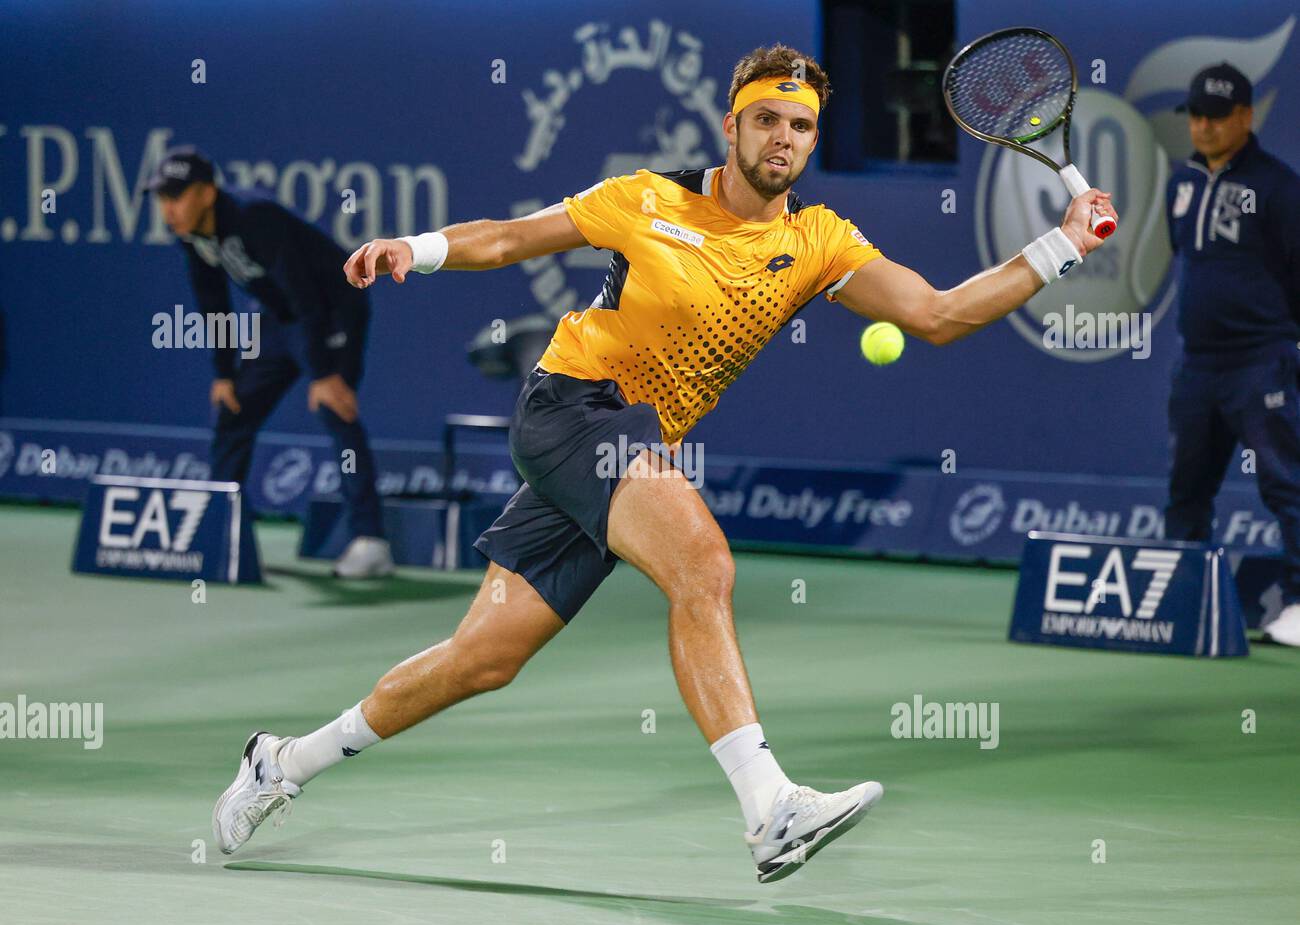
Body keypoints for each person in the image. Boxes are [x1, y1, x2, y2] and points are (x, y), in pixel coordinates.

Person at [212, 45, 1116, 882]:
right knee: (703, 563)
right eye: (768, 119)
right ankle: (770, 810)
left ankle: (281, 762)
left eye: (801, 126)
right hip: (572, 407)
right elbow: (508, 238)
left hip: (631, 443)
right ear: (732, 124)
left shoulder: (818, 243)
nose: (784, 139)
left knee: (480, 660)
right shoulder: (646, 198)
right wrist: (416, 249)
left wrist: (1064, 243)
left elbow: (941, 313)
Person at [147, 147, 394, 578]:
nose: (169, 208)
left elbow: (303, 292)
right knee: (233, 409)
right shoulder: (192, 234)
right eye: (163, 198)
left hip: (332, 308)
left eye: (177, 196)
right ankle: (223, 532)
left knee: (336, 408)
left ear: (206, 193)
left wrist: (322, 373)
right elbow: (212, 302)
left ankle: (371, 541)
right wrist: (224, 374)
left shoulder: (253, 216)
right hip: (280, 320)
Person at [1162, 64, 1300, 646]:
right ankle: (1184, 598)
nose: (1204, 127)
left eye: (1217, 117)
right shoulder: (1180, 183)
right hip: (1198, 365)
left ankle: (1297, 601)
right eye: (1195, 116)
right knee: (1187, 486)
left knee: (1285, 483)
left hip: (1261, 361)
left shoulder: (1279, 187)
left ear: (1247, 116)